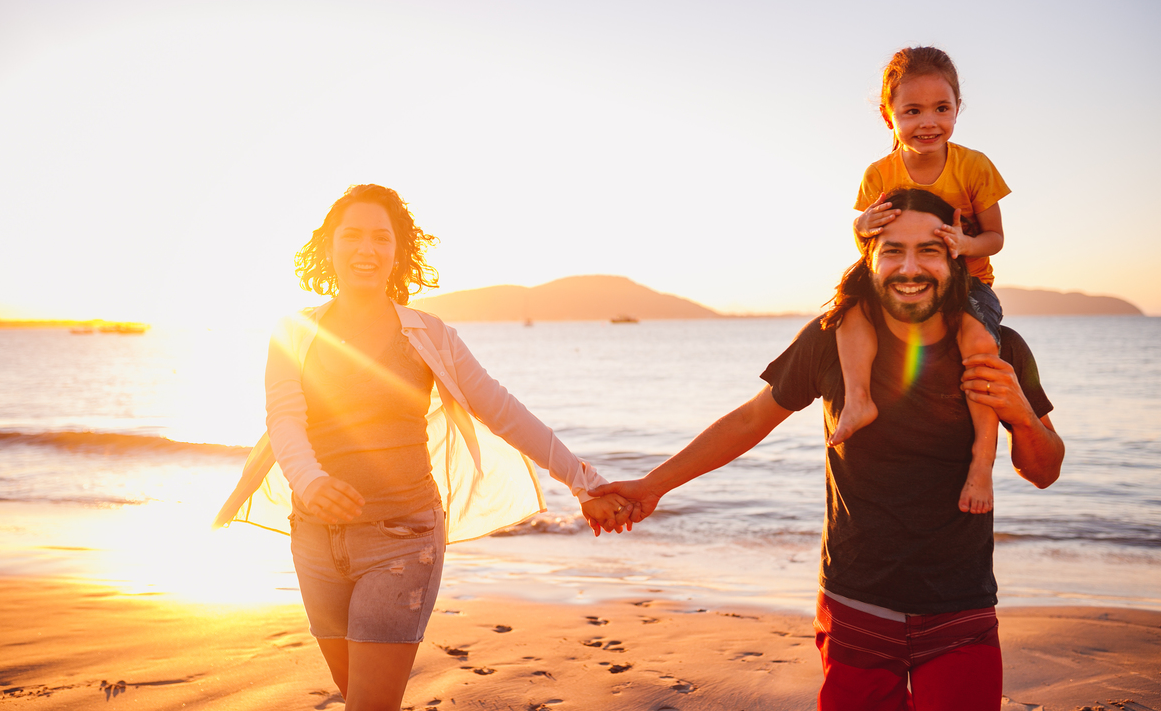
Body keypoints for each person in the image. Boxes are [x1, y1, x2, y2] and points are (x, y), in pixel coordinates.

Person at [593, 188, 1064, 711]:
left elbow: (1044, 471)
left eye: (929, 250)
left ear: (956, 258)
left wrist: (1023, 416)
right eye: (892, 250)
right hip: (855, 604)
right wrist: (651, 486)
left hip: (961, 609)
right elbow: (750, 420)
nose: (910, 268)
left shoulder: (1000, 347)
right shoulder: (831, 338)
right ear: (870, 258)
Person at [221, 184, 632, 711]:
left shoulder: (430, 335)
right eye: (351, 236)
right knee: (359, 699)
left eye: (381, 238)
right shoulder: (293, 331)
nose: (366, 249)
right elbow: (284, 417)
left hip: (402, 542)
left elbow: (501, 410)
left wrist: (584, 482)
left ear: (398, 252)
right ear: (329, 246)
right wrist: (311, 480)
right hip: (315, 541)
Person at [834, 46, 1011, 515]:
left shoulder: (974, 166)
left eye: (941, 109)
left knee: (979, 343)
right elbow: (870, 246)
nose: (928, 122)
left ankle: (982, 461)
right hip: (904, 281)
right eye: (912, 111)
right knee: (846, 311)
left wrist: (964, 244)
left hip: (968, 282)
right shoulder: (879, 174)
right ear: (888, 115)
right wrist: (860, 226)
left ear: (957, 108)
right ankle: (858, 400)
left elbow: (994, 238)